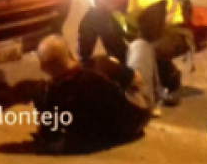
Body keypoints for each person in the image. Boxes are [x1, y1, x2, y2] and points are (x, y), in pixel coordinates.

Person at [78, 0, 191, 107]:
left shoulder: (150, 3)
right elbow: (89, 26)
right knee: (103, 24)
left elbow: (144, 47)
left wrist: (135, 79)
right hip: (136, 29)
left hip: (173, 33)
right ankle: (122, 78)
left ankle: (170, 82)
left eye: (108, 1)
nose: (105, 5)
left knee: (147, 51)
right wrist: (81, 64)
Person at [25, 35, 154, 154]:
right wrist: (115, 68)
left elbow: (51, 139)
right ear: (71, 55)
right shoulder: (99, 66)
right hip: (133, 123)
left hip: (101, 136)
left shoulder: (47, 94)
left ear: (43, 67)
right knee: (140, 45)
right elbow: (138, 80)